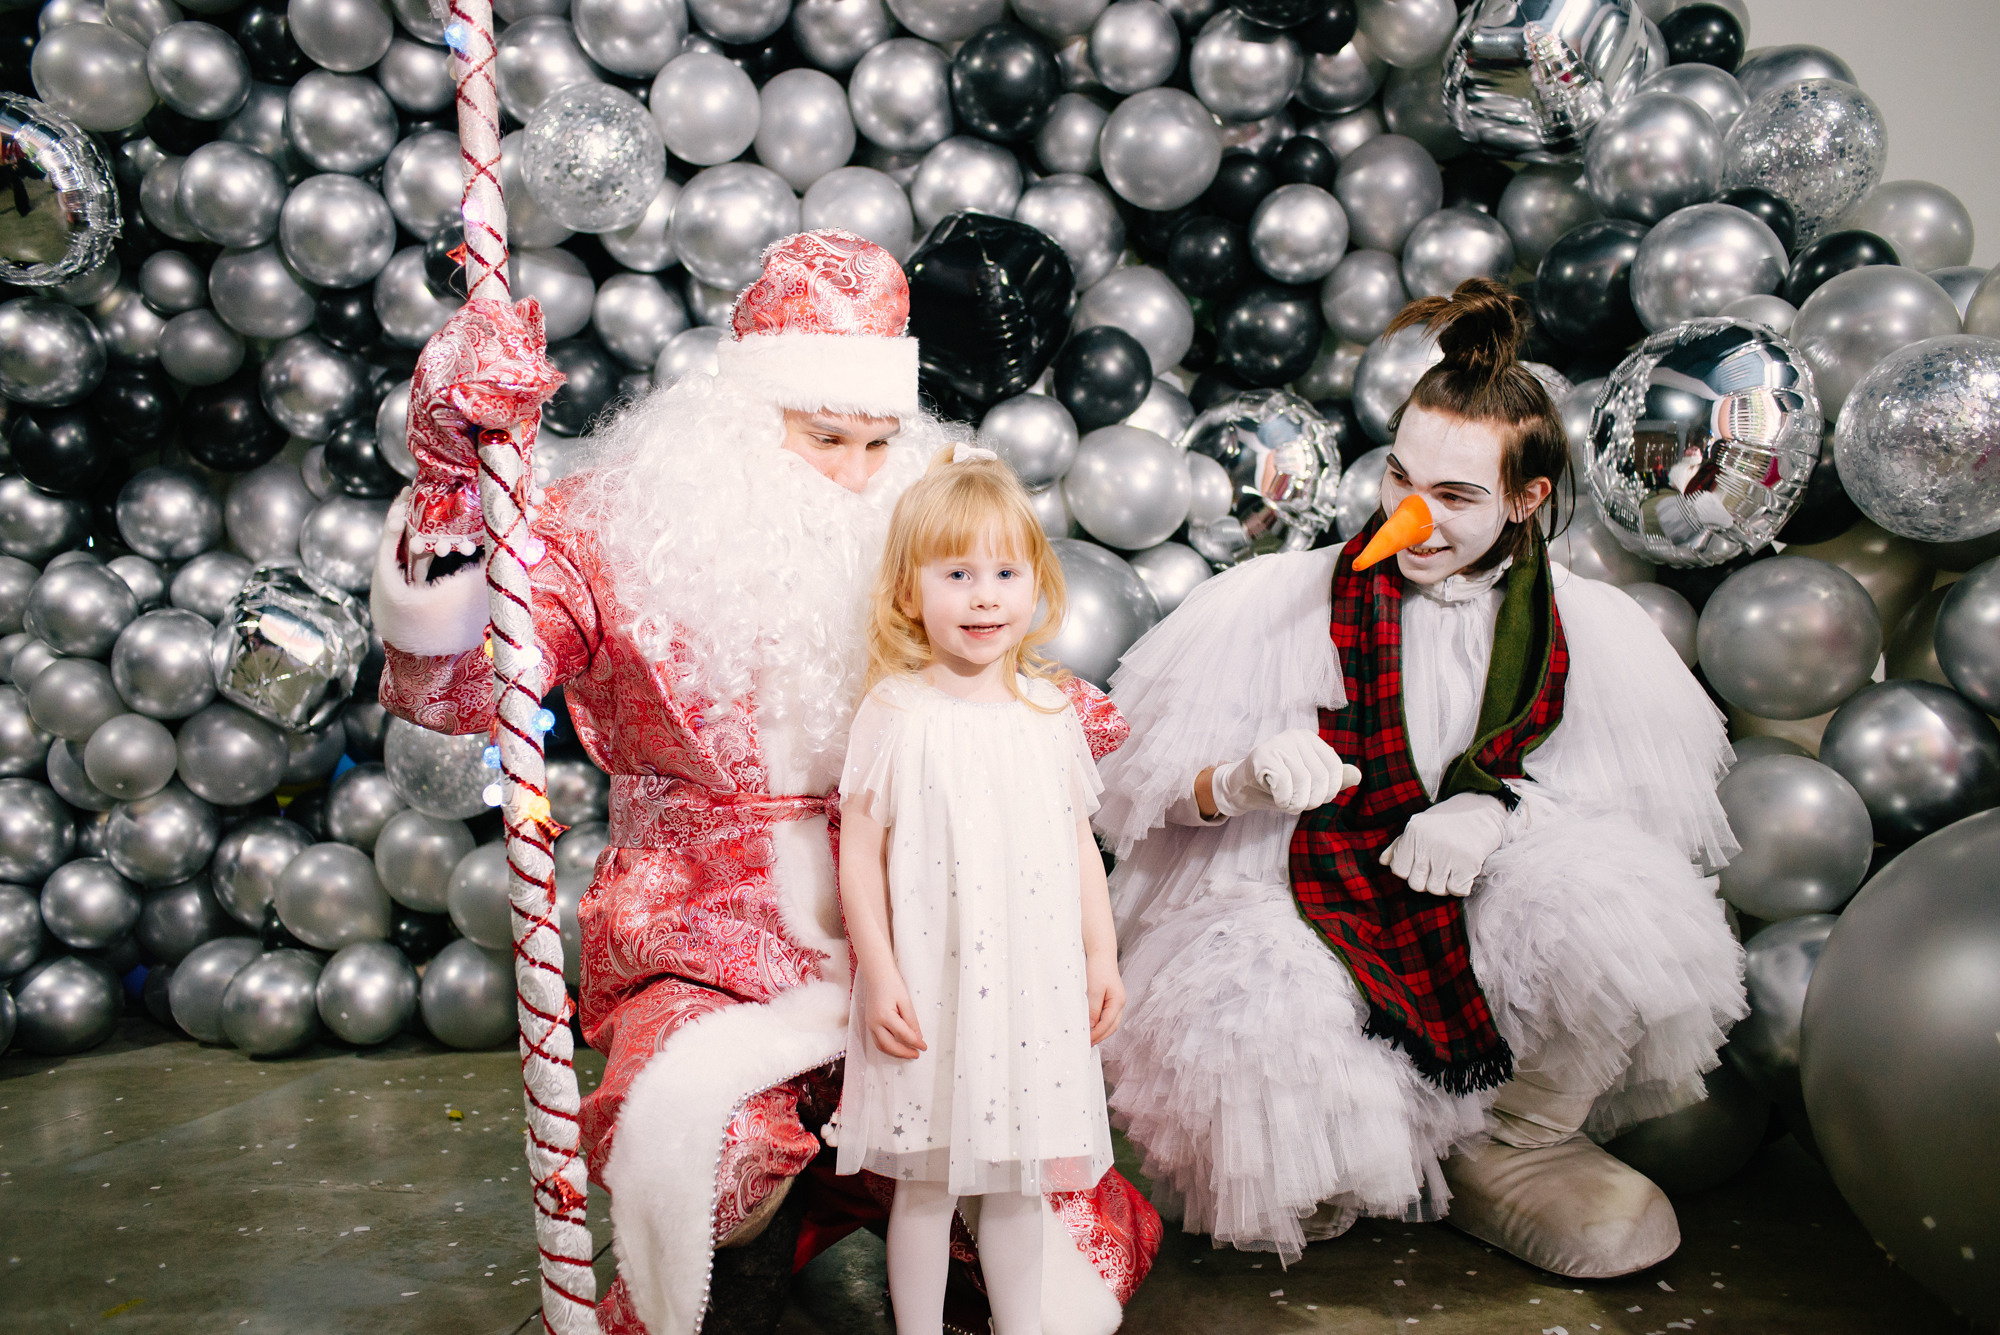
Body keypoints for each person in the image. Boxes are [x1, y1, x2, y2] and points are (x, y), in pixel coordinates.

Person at [370, 230, 1159, 1335]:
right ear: (738, 421)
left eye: (879, 439)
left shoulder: (929, 532)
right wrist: (458, 482)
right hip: (709, 938)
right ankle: (734, 1261)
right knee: (707, 1155)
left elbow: (1044, 750)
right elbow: (460, 690)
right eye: (822, 434)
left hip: (948, 937)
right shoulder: (613, 530)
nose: (852, 473)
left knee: (1066, 1237)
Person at [1093, 279, 1746, 1280]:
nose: (1413, 518)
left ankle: (1508, 1141)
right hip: (1294, 890)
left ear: (1525, 501)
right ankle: (1340, 1153)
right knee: (1250, 1002)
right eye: (1400, 479)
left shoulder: (1586, 626)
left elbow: (1625, 816)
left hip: (1473, 901)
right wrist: (1238, 782)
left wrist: (1494, 810)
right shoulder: (1273, 602)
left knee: (1618, 904)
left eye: (1454, 498)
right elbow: (1137, 798)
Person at [833, 446, 1126, 1335]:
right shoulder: (897, 711)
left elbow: (1079, 843)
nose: (986, 595)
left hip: (1030, 990)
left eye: (1005, 571)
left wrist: (1102, 953)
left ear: (1036, 584)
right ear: (909, 590)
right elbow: (859, 854)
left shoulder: (1049, 715)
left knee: (1019, 1182)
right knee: (924, 1183)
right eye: (957, 573)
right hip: (934, 982)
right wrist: (880, 973)